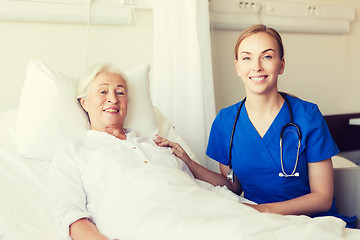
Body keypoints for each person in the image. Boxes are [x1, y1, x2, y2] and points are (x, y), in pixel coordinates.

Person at [155, 24, 356, 227]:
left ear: (281, 64)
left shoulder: (308, 116)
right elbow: (233, 185)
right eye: (247, 58)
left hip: (311, 223)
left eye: (267, 56)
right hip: (257, 223)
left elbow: (322, 198)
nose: (256, 66)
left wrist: (264, 210)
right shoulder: (226, 122)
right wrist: (188, 162)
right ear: (237, 67)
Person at [49, 63, 194, 240]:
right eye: (103, 92)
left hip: (193, 215)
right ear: (84, 102)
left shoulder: (157, 144)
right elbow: (72, 217)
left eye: (120, 92)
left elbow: (197, 188)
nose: (113, 99)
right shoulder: (72, 154)